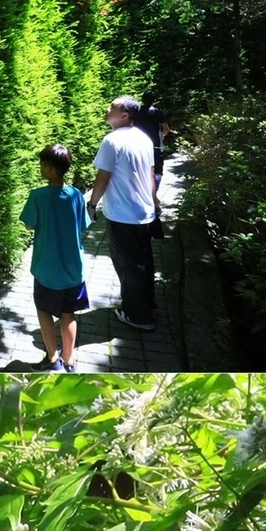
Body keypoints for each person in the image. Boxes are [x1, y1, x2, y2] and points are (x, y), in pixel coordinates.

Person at [88, 96, 162, 332]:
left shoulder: (111, 141)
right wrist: (154, 200)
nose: (107, 109)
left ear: (125, 115)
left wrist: (92, 204)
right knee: (144, 262)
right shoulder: (144, 138)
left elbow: (103, 177)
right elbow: (151, 174)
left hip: (123, 214)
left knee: (129, 266)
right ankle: (146, 304)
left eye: (112, 107)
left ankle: (138, 316)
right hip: (144, 212)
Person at [20, 144, 91, 372]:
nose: (41, 169)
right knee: (68, 314)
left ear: (49, 170)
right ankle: (69, 362)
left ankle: (52, 358)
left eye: (42, 166)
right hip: (73, 269)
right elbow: (83, 225)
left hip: (46, 269)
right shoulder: (76, 195)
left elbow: (30, 225)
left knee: (43, 310)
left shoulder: (38, 196)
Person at [134, 91, 170, 186]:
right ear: (154, 100)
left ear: (142, 100)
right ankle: (154, 191)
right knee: (156, 167)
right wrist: (161, 137)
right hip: (154, 143)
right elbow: (166, 129)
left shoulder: (136, 112)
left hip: (138, 142)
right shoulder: (158, 112)